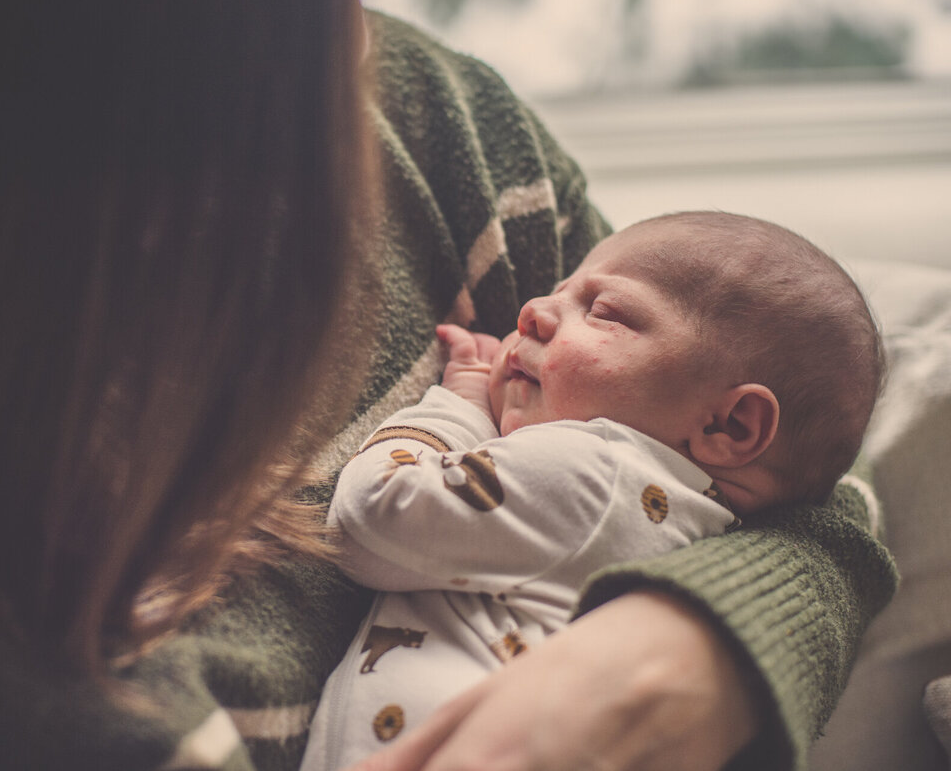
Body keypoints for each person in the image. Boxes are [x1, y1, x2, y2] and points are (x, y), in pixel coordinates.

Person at [0, 0, 896, 771]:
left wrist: (681, 663)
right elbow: (387, 513)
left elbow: (797, 487)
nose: (358, 19)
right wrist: (455, 409)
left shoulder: (445, 142)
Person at [300, 211, 885, 770]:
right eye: (559, 289)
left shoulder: (599, 474)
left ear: (728, 426)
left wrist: (460, 404)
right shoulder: (686, 517)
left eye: (605, 311)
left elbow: (372, 513)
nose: (533, 311)